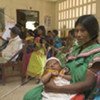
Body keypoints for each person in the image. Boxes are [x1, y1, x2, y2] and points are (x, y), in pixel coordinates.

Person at [23, 15, 100, 100]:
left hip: (76, 90)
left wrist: (55, 89)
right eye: (76, 31)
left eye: (83, 31)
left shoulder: (96, 53)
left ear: (93, 32)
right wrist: (52, 77)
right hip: (61, 82)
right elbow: (61, 67)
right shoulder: (76, 48)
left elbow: (87, 84)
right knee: (29, 96)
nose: (78, 34)